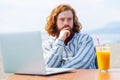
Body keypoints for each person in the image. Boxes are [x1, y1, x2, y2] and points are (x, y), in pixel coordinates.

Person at [42, 4, 97, 69]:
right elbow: (48, 66)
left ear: (73, 21)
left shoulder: (85, 39)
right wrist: (60, 40)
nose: (66, 23)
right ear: (55, 22)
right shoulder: (47, 45)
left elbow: (81, 63)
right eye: (62, 19)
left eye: (69, 19)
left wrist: (58, 67)